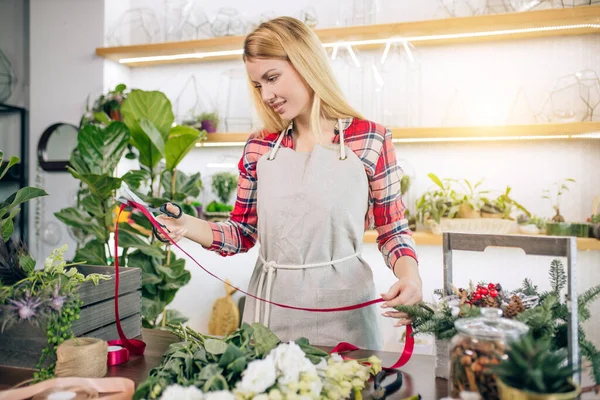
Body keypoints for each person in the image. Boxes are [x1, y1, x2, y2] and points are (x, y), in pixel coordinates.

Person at [157, 16, 422, 350]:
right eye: (258, 86)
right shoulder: (260, 147)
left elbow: (392, 230)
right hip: (269, 320)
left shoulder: (368, 139)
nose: (266, 94)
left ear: (305, 63)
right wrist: (184, 225)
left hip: (346, 319)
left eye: (272, 78)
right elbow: (242, 234)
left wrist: (410, 277)